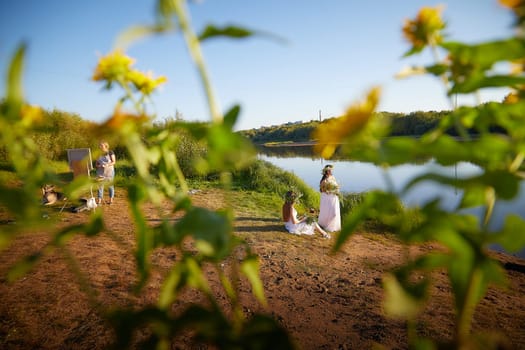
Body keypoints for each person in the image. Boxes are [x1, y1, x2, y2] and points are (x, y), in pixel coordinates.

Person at [318, 164, 341, 232]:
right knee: (326, 212)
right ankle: (325, 225)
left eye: (331, 170)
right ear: (326, 171)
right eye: (329, 170)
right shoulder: (324, 180)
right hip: (326, 197)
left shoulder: (333, 177)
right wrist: (327, 191)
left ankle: (333, 226)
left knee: (334, 212)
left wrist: (336, 191)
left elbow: (336, 186)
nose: (331, 171)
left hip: (333, 197)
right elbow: (321, 190)